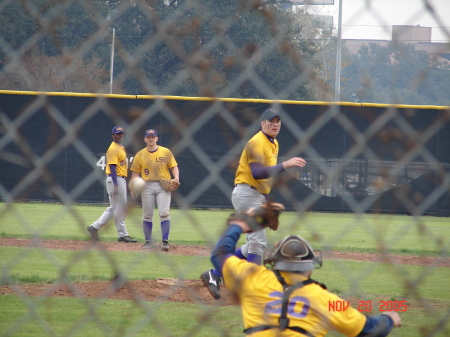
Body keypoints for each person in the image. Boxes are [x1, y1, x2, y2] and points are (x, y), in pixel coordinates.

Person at [210, 212, 403, 336]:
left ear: (274, 263)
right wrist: (388, 318)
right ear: (310, 266)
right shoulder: (323, 298)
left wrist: (238, 225)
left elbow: (219, 254)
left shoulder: (253, 278)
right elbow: (367, 329)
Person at [201, 108, 306, 299]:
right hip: (246, 193)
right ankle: (254, 289)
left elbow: (265, 179)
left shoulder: (273, 143)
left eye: (278, 122)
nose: (275, 124)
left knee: (253, 245)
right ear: (262, 124)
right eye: (271, 121)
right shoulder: (256, 142)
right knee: (258, 242)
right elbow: (258, 172)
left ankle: (214, 274)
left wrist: (266, 207)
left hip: (256, 195)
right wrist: (286, 164)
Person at [130, 129, 180, 252]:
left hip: (163, 185)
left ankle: (165, 242)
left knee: (164, 213)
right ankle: (148, 242)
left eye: (153, 137)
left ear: (156, 139)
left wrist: (176, 177)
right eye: (148, 137)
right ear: (145, 139)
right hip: (146, 185)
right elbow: (135, 173)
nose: (151, 139)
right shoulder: (140, 154)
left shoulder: (165, 152)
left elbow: (174, 167)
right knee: (147, 214)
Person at [87, 126, 138, 243]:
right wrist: (115, 185)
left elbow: (121, 165)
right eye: (117, 134)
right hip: (115, 179)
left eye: (121, 134)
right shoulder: (113, 149)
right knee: (120, 208)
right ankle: (123, 235)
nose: (120, 136)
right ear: (113, 136)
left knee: (115, 207)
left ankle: (94, 227)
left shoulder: (120, 148)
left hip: (119, 179)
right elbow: (113, 168)